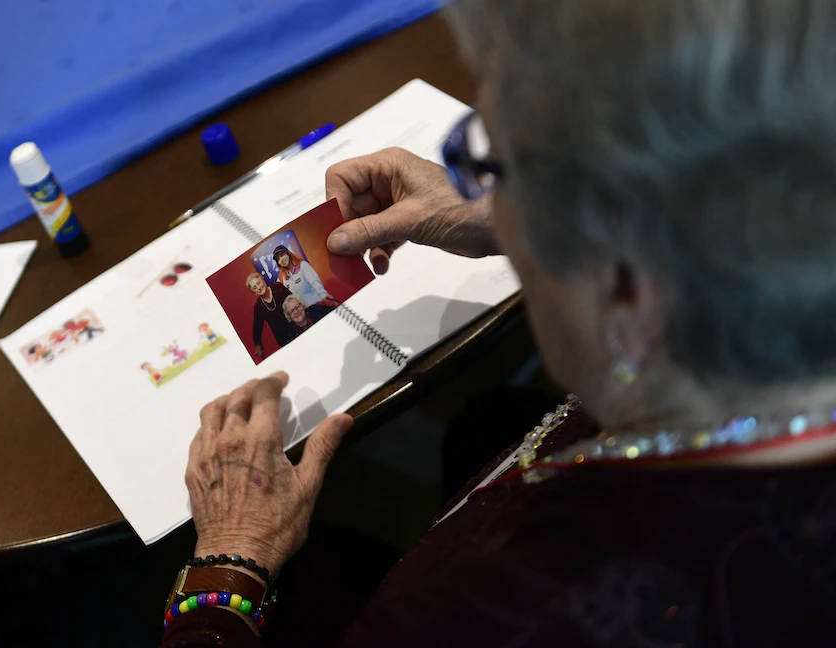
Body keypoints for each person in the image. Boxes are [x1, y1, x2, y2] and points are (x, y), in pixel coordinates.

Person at [162, 0, 836, 645]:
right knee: (484, 422)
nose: (481, 190)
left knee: (329, 562)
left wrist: (231, 563)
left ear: (626, 287)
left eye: (492, 167)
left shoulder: (489, 620)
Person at [246, 273, 297, 360]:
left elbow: (295, 300)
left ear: (263, 280)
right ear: (254, 293)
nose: (259, 287)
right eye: (255, 287)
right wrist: (258, 346)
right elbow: (257, 330)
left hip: (297, 327)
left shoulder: (277, 287)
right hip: (284, 340)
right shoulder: (258, 307)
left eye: (258, 283)